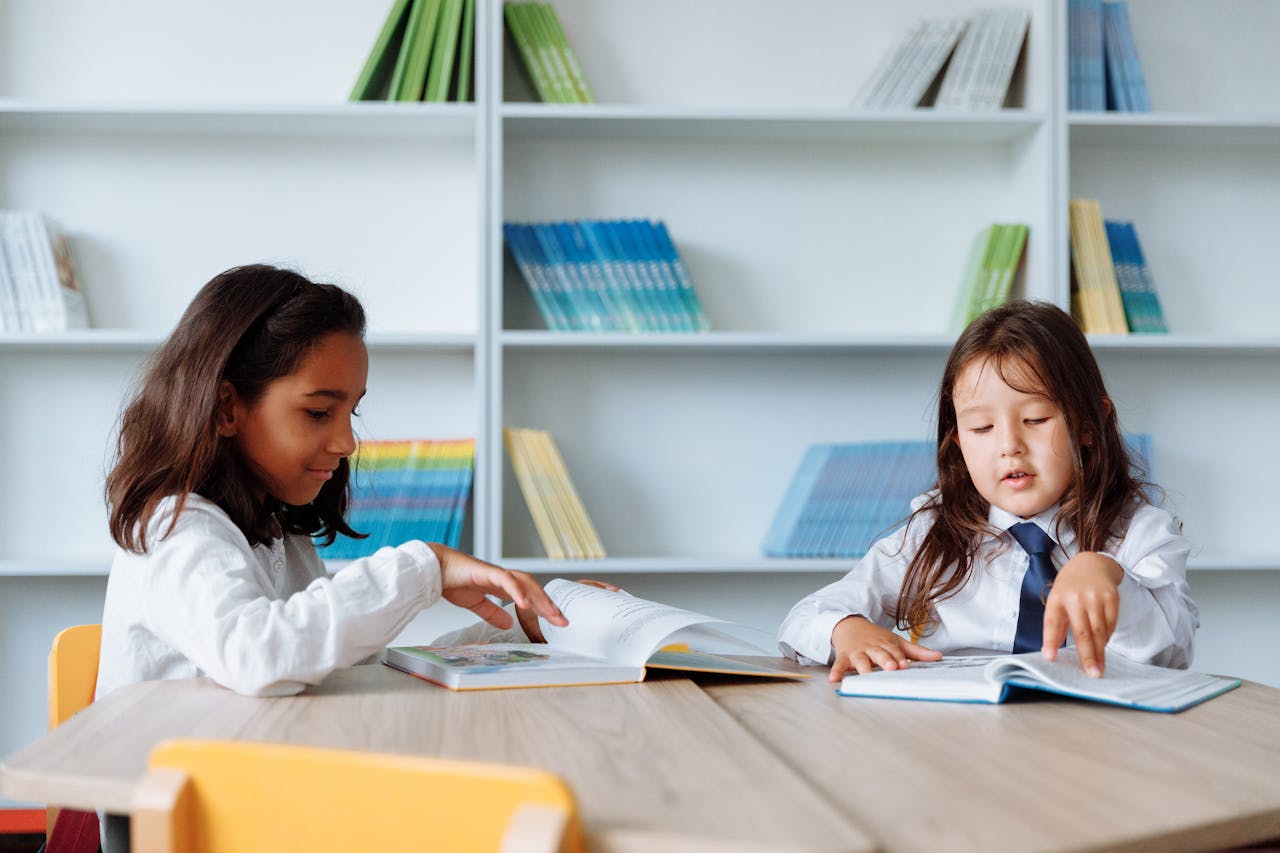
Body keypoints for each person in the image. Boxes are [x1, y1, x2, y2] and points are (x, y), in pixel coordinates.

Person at [98, 264, 572, 702]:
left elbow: (344, 669)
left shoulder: (282, 536)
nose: (347, 441)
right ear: (226, 408)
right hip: (170, 790)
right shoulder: (174, 526)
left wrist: (517, 633)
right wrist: (427, 566)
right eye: (319, 412)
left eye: (352, 412)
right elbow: (260, 657)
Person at [778, 300, 1197, 682]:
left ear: (1089, 424)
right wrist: (844, 629)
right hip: (960, 738)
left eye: (1034, 419)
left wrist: (1109, 575)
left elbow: (1172, 651)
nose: (1008, 445)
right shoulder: (933, 533)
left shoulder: (1141, 533)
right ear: (959, 442)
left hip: (1091, 740)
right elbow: (804, 617)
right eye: (982, 428)